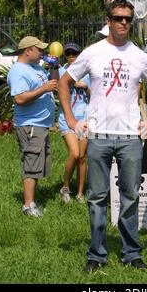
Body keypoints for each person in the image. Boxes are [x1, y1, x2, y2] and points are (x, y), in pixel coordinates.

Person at [58, 0, 147, 272]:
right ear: (108, 20)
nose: (124, 23)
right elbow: (64, 82)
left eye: (128, 19)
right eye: (118, 18)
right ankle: (97, 254)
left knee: (130, 195)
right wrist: (70, 119)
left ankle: (131, 253)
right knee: (96, 197)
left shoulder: (139, 56)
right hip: (98, 135)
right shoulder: (93, 52)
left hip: (130, 136)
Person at [7, 36, 57, 217]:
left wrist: (54, 67)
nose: (42, 53)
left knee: (37, 163)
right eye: (39, 50)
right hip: (30, 124)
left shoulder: (35, 67)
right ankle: (28, 206)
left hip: (40, 124)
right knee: (31, 162)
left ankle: (32, 201)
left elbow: (52, 85)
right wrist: (43, 89)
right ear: (28, 50)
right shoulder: (18, 71)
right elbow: (19, 99)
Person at [58, 42, 90, 203]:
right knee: (74, 153)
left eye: (74, 53)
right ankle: (65, 187)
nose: (71, 56)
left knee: (83, 157)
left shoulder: (87, 73)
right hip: (67, 119)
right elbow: (56, 90)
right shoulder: (62, 72)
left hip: (84, 119)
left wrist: (85, 87)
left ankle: (80, 193)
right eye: (68, 53)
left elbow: (94, 98)